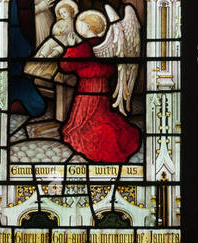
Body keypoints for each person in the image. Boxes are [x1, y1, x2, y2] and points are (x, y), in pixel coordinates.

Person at [59, 9, 142, 163]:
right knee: (101, 117)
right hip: (103, 90)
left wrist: (70, 47)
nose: (79, 28)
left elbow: (65, 65)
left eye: (82, 25)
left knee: (84, 128)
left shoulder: (84, 47)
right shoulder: (107, 44)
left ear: (88, 27)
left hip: (88, 91)